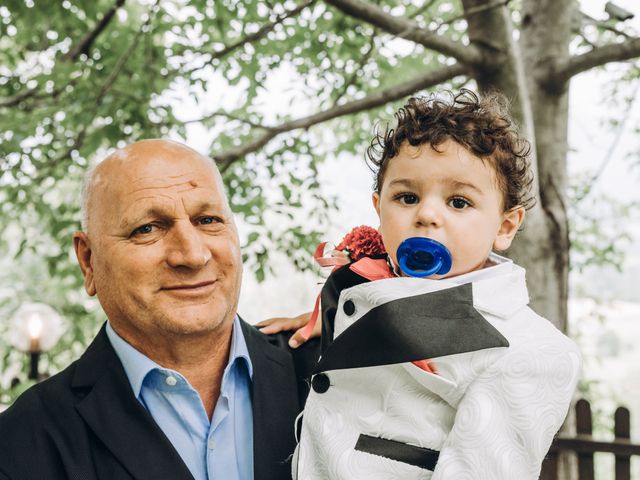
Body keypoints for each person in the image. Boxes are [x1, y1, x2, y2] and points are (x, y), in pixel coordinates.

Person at [260, 90, 581, 479]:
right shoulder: (365, 287)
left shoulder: (531, 351)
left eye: (459, 202)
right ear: (379, 209)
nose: (427, 214)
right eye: (407, 197)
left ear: (505, 226)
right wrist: (328, 324)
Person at [0, 139, 318, 480]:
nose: (193, 255)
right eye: (147, 229)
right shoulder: (22, 441)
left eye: (208, 219)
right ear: (88, 261)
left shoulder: (332, 370)